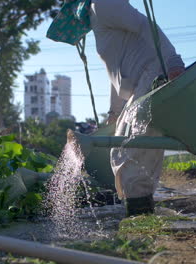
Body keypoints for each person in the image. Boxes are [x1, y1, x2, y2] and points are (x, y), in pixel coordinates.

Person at [47, 0, 185, 216]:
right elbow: (118, 75)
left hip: (152, 76)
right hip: (140, 82)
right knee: (128, 152)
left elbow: (146, 26)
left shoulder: (102, 4)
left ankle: (140, 217)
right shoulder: (96, 14)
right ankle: (142, 213)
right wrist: (114, 112)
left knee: (130, 152)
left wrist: (174, 61)